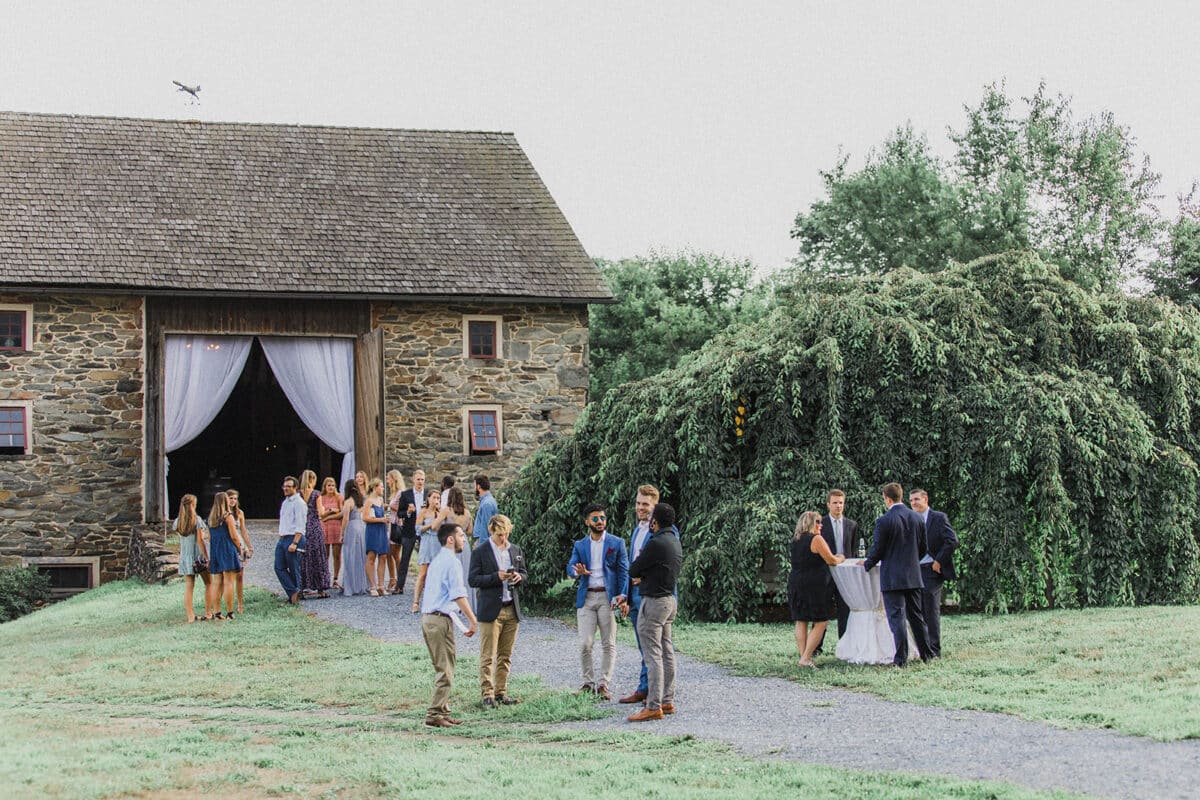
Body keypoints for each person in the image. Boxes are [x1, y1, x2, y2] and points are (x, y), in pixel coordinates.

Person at [863, 482, 934, 666]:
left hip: (893, 577)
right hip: (913, 574)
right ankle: (927, 654)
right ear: (901, 496)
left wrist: (867, 564)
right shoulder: (917, 518)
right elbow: (923, 547)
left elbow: (878, 549)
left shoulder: (884, 521)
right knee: (917, 617)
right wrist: (911, 562)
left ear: (887, 498)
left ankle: (901, 659)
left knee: (897, 618)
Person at [626, 502, 684, 722]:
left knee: (653, 654)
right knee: (667, 651)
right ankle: (668, 700)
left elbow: (634, 569)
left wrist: (643, 572)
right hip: (670, 600)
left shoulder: (656, 541)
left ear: (655, 521)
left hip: (654, 602)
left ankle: (653, 705)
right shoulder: (674, 541)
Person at [567, 502, 628, 701]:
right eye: (595, 518)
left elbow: (623, 571)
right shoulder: (580, 545)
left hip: (607, 597)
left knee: (608, 643)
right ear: (587, 522)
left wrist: (622, 596)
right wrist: (578, 571)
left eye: (602, 518)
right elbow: (570, 567)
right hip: (587, 597)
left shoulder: (616, 543)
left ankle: (604, 684)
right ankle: (587, 682)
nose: (600, 521)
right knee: (585, 643)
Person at [420, 522, 478, 728]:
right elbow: (458, 594)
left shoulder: (438, 560)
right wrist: (472, 619)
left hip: (434, 617)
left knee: (447, 664)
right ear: (451, 539)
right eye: (461, 536)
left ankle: (443, 709)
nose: (464, 539)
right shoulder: (452, 562)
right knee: (445, 668)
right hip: (438, 619)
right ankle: (434, 714)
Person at [468, 514, 527, 708]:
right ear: (491, 531)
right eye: (500, 535)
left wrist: (519, 577)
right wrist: (496, 577)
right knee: (488, 655)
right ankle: (487, 693)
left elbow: (525, 572)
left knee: (505, 654)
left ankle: (501, 691)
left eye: (507, 534)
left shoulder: (515, 550)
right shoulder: (480, 551)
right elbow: (473, 580)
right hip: (491, 609)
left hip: (511, 607)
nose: (504, 538)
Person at [618, 484, 663, 705]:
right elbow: (630, 563)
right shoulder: (637, 530)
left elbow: (665, 564)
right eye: (638, 503)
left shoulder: (662, 531)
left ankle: (655, 691)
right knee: (641, 643)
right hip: (634, 594)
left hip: (650, 594)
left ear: (655, 505)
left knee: (654, 645)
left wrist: (644, 578)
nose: (640, 508)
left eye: (645, 504)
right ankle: (644, 688)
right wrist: (625, 595)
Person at [790, 511, 845, 668]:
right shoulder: (816, 539)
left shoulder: (796, 539)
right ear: (810, 524)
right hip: (813, 585)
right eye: (818, 522)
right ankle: (806, 658)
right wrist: (841, 557)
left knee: (801, 620)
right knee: (821, 621)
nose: (821, 525)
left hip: (796, 582)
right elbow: (832, 560)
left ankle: (803, 657)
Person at [909, 488, 959, 658]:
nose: (914, 503)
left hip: (932, 569)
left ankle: (934, 651)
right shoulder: (910, 519)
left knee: (930, 610)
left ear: (926, 499)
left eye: (917, 499)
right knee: (917, 611)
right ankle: (921, 649)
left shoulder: (938, 517)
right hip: (914, 570)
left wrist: (939, 560)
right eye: (911, 500)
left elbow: (952, 540)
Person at [815, 488, 859, 652]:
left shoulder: (852, 525)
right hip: (825, 573)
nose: (838, 506)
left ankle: (844, 646)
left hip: (845, 574)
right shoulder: (820, 525)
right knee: (822, 611)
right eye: (835, 503)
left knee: (845, 611)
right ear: (828, 504)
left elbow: (852, 551)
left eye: (841, 503)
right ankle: (816, 647)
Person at [208, 490, 247, 619]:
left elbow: (209, 537)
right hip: (227, 549)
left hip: (215, 551)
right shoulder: (228, 516)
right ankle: (230, 612)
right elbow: (234, 537)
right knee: (229, 582)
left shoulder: (211, 518)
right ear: (225, 501)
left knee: (217, 582)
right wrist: (240, 549)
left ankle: (217, 612)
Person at [436, 487, 475, 611]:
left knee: (450, 574)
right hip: (464, 544)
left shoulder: (447, 511)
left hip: (451, 543)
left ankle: (450, 604)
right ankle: (467, 605)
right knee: (464, 573)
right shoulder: (467, 512)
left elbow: (435, 525)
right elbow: (470, 531)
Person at [174, 494, 211, 623]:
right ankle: (208, 612)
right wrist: (207, 556)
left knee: (189, 586)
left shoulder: (178, 521)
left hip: (185, 557)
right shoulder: (197, 520)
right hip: (197, 557)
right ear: (193, 505)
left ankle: (190, 615)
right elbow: (200, 540)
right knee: (209, 583)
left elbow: (182, 540)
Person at [298, 470, 333, 599]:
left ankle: (301, 588)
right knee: (318, 556)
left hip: (302, 526)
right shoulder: (316, 494)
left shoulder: (298, 494)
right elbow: (320, 513)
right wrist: (329, 510)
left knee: (303, 557)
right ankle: (321, 588)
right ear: (312, 480)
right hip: (314, 526)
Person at [275, 476, 306, 605]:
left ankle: (295, 598)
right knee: (278, 567)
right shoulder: (286, 502)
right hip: (283, 538)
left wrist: (295, 542)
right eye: (284, 486)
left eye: (288, 486)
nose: (285, 488)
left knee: (294, 568)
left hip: (294, 538)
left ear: (295, 488)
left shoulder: (299, 503)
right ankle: (293, 591)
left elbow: (300, 524)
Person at [410, 490, 443, 613]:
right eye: (434, 497)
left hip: (438, 543)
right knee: (423, 573)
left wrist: (439, 515)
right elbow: (418, 530)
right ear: (428, 499)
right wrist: (430, 525)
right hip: (427, 542)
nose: (436, 500)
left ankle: (435, 601)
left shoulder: (440, 513)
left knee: (437, 575)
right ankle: (416, 602)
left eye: (438, 498)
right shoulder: (423, 512)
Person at [392, 469, 424, 594]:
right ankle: (400, 586)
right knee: (405, 558)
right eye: (418, 479)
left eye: (422, 479)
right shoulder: (406, 494)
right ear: (413, 480)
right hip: (409, 530)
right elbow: (399, 514)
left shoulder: (428, 494)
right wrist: (408, 512)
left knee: (426, 559)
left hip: (424, 530)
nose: (420, 482)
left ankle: (426, 586)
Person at [339, 479, 369, 596]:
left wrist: (341, 533)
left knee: (351, 555)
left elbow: (345, 518)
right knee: (361, 555)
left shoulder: (348, 502)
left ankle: (351, 585)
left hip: (352, 527)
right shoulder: (361, 500)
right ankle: (362, 584)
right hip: (361, 526)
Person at [225, 488, 251, 614]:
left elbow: (243, 530)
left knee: (240, 575)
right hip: (228, 544)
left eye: (235, 498)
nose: (233, 501)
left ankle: (240, 603)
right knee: (229, 575)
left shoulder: (239, 513)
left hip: (239, 543)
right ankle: (228, 603)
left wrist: (249, 546)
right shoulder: (223, 513)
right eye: (231, 498)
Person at [363, 478, 390, 596]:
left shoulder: (381, 500)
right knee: (371, 556)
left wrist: (386, 517)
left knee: (383, 556)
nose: (383, 489)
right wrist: (381, 519)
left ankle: (381, 585)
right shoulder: (369, 501)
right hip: (372, 530)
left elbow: (384, 513)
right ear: (375, 487)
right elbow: (365, 517)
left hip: (382, 530)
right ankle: (372, 585)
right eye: (381, 486)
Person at [317, 477, 344, 590]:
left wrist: (330, 514)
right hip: (324, 528)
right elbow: (321, 514)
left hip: (336, 527)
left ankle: (336, 579)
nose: (331, 487)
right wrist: (332, 510)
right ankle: (325, 577)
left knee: (336, 555)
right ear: (325, 487)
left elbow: (342, 513)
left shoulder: (339, 497)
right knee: (325, 554)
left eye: (332, 485)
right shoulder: (321, 498)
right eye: (329, 485)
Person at [472, 474, 497, 542]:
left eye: (474, 486)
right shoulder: (487, 501)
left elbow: (486, 528)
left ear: (479, 487)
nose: (474, 489)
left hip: (482, 541)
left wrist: (482, 549)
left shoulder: (487, 504)